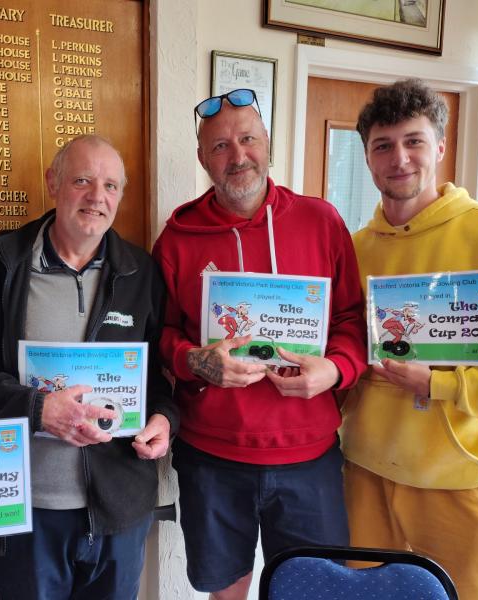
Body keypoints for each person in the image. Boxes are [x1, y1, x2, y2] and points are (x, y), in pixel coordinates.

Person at [152, 88, 367, 599]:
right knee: (224, 592)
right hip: (212, 457)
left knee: (311, 591)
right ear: (203, 158)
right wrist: (193, 360)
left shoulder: (322, 221)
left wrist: (334, 370)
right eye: (220, 146)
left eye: (248, 139)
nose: (238, 155)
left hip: (308, 457)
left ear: (268, 144)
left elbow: (354, 319)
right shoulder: (178, 238)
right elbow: (157, 335)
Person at [0, 135, 178, 600]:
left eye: (111, 186)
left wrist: (164, 420)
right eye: (82, 180)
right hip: (26, 510)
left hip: (120, 509)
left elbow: (160, 375)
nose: (98, 197)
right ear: (53, 183)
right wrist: (37, 409)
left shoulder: (141, 272)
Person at [342, 78, 478, 600]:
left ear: (441, 147)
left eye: (414, 141)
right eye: (382, 145)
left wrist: (441, 384)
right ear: (366, 157)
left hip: (462, 485)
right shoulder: (353, 249)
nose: (399, 158)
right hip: (363, 475)